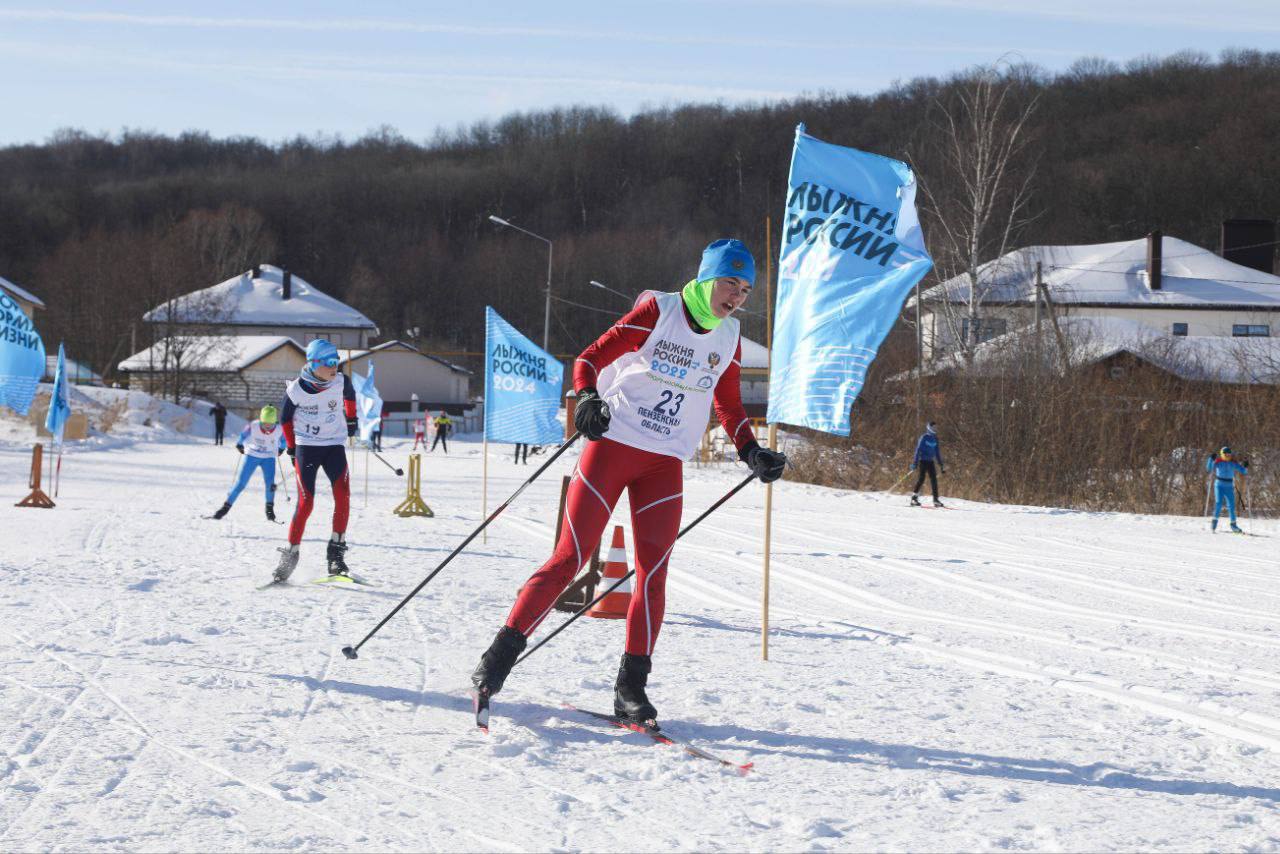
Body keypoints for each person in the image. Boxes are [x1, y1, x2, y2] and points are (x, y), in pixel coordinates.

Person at [469, 238, 787, 725]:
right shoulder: (660, 312)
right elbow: (590, 358)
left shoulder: (729, 337)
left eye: (745, 290)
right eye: (731, 283)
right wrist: (587, 398)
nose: (738, 297)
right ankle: (496, 663)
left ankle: (631, 688)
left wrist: (750, 449)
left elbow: (728, 403)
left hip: (664, 465)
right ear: (706, 279)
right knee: (569, 559)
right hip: (612, 447)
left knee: (652, 574)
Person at [272, 339, 359, 582]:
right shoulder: (296, 390)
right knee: (306, 502)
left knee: (343, 495)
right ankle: (290, 556)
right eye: (330, 362)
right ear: (313, 363)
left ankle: (336, 556)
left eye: (337, 361)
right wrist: (291, 448)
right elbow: (286, 420)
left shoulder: (341, 381)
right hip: (307, 448)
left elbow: (350, 396)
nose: (335, 367)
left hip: (333, 446)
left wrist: (352, 420)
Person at [211, 405, 287, 521]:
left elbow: (284, 440)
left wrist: (282, 448)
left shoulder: (279, 429)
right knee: (241, 483)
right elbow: (243, 435)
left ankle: (270, 510)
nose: (267, 427)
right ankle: (225, 508)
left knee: (270, 485)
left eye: (270, 424)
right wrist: (240, 444)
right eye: (265, 423)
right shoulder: (254, 425)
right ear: (261, 420)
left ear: (275, 422)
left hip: (269, 457)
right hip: (252, 455)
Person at [1206, 446, 1248, 533]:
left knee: (1231, 506)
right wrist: (1211, 459)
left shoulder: (1233, 463)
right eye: (1226, 454)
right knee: (1218, 503)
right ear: (1222, 454)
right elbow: (1209, 468)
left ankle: (1233, 525)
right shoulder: (1218, 462)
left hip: (1229, 486)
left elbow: (1243, 471)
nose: (1228, 455)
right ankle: (1214, 523)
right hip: (1219, 485)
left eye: (1229, 454)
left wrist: (1245, 465)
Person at [910, 421, 945, 508]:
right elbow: (918, 450)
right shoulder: (924, 437)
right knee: (921, 479)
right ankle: (914, 498)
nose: (935, 429)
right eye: (933, 428)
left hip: (930, 462)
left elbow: (937, 452)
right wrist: (915, 463)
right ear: (929, 428)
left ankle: (935, 500)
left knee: (934, 480)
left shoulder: (935, 438)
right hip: (923, 461)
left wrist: (940, 463)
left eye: (936, 428)